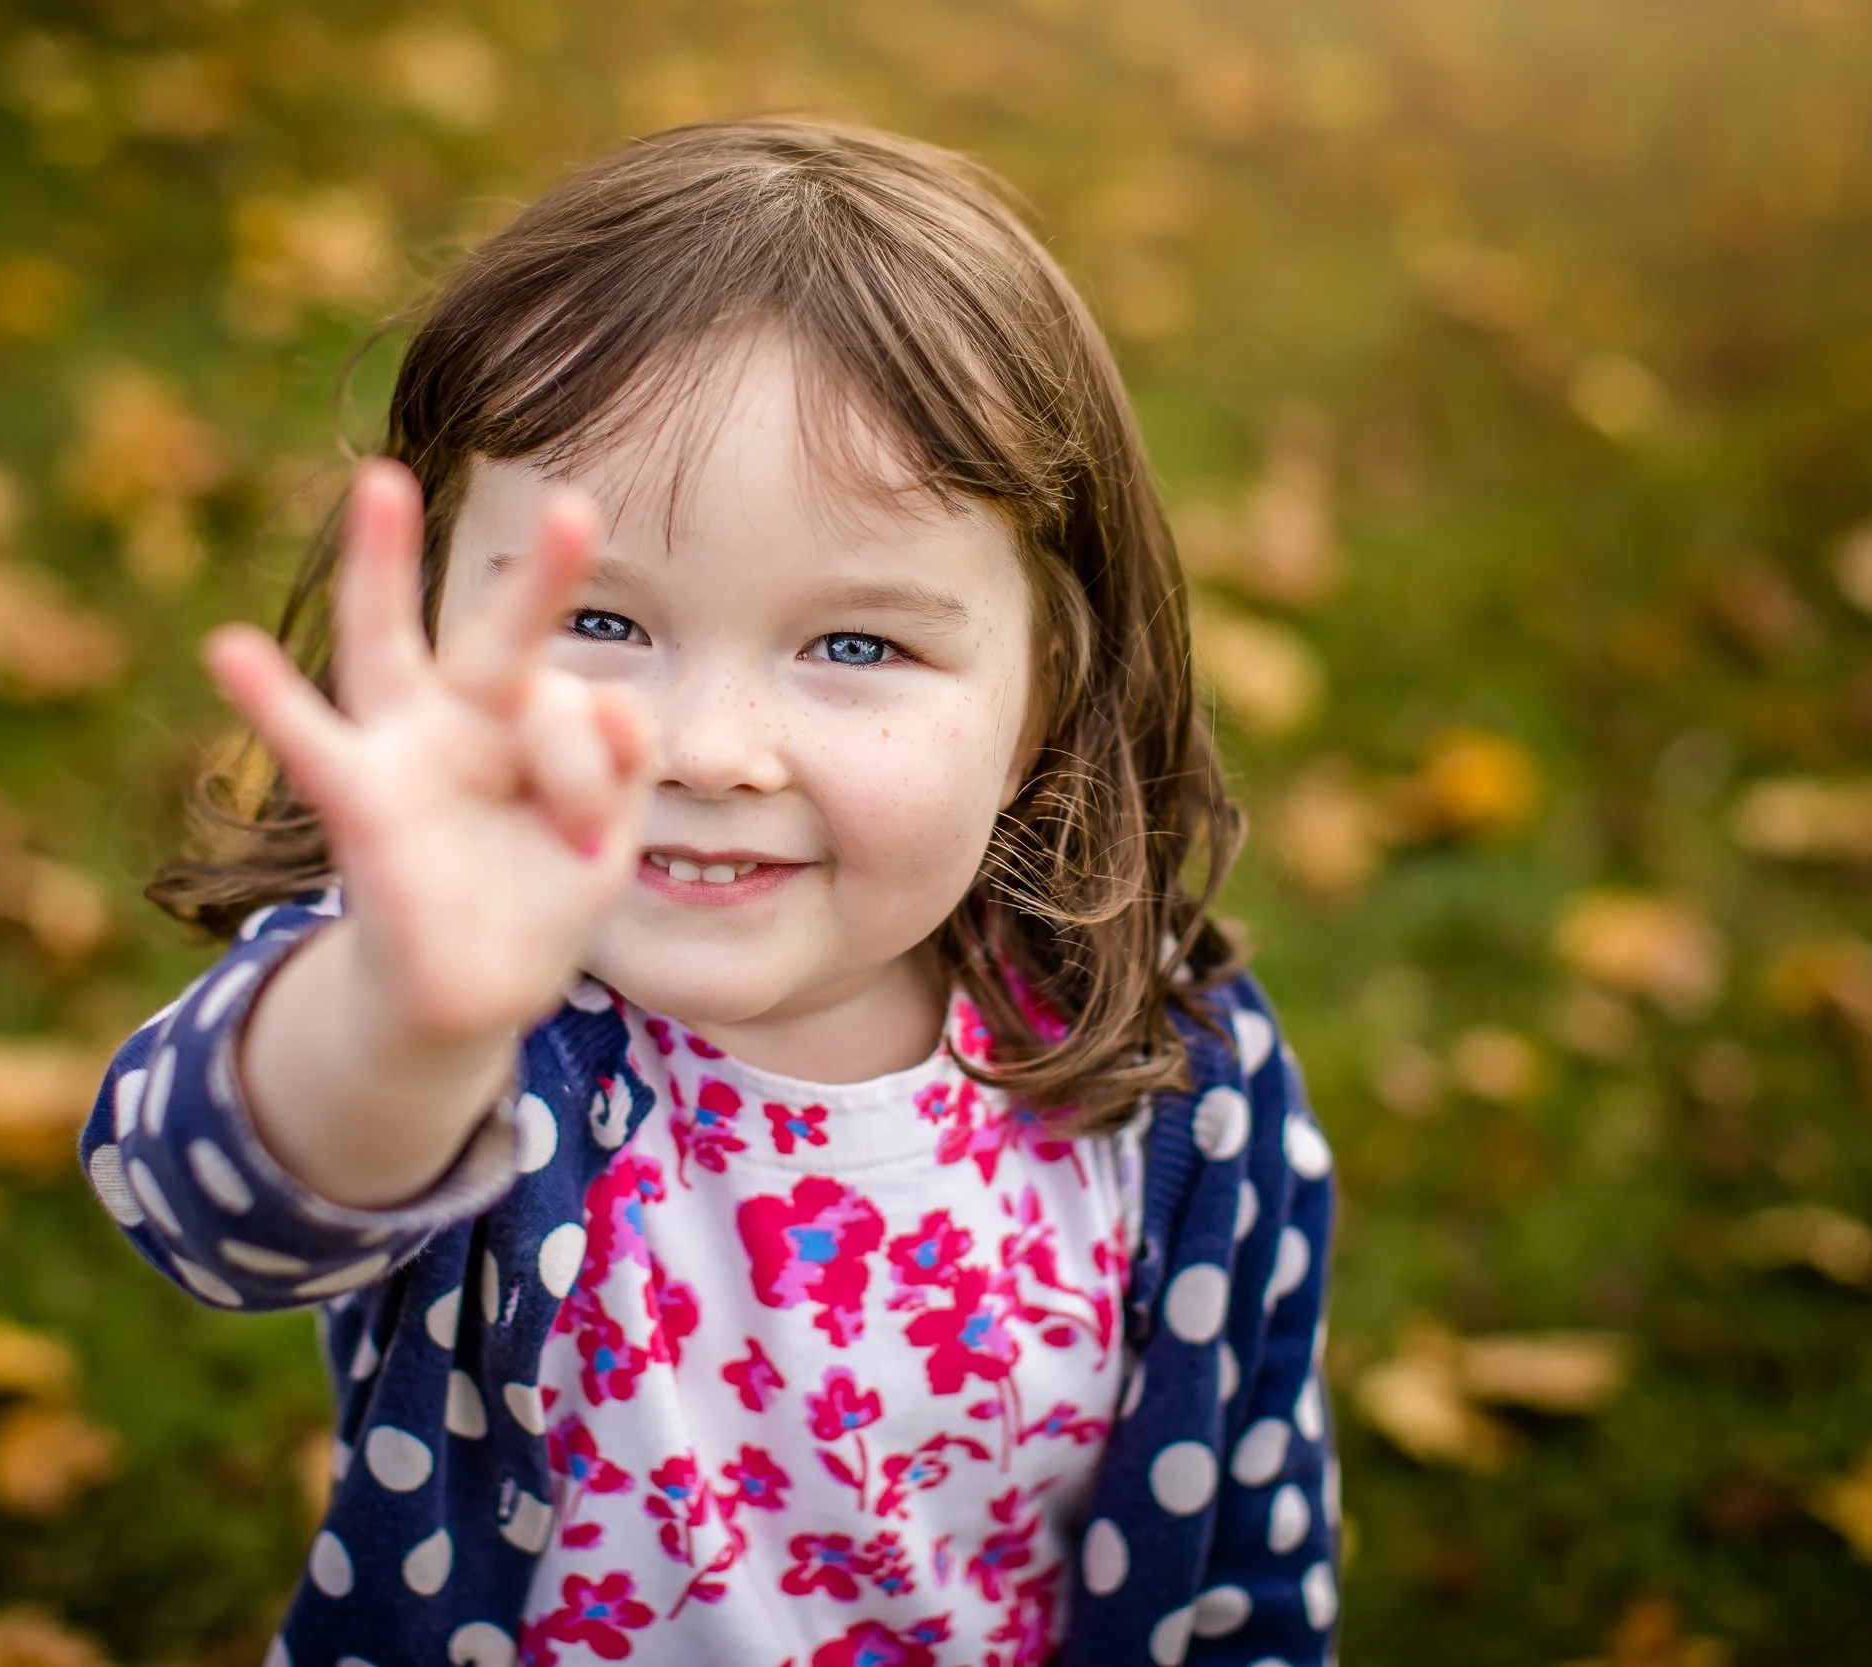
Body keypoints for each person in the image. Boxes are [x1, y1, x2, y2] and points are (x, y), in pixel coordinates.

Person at [80, 117, 1339, 1667]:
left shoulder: (1183, 1087)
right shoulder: (486, 1008)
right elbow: (207, 1208)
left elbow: (1249, 1564)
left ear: (1047, 693)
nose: (711, 748)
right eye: (600, 617)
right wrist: (397, 1017)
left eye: (858, 647)